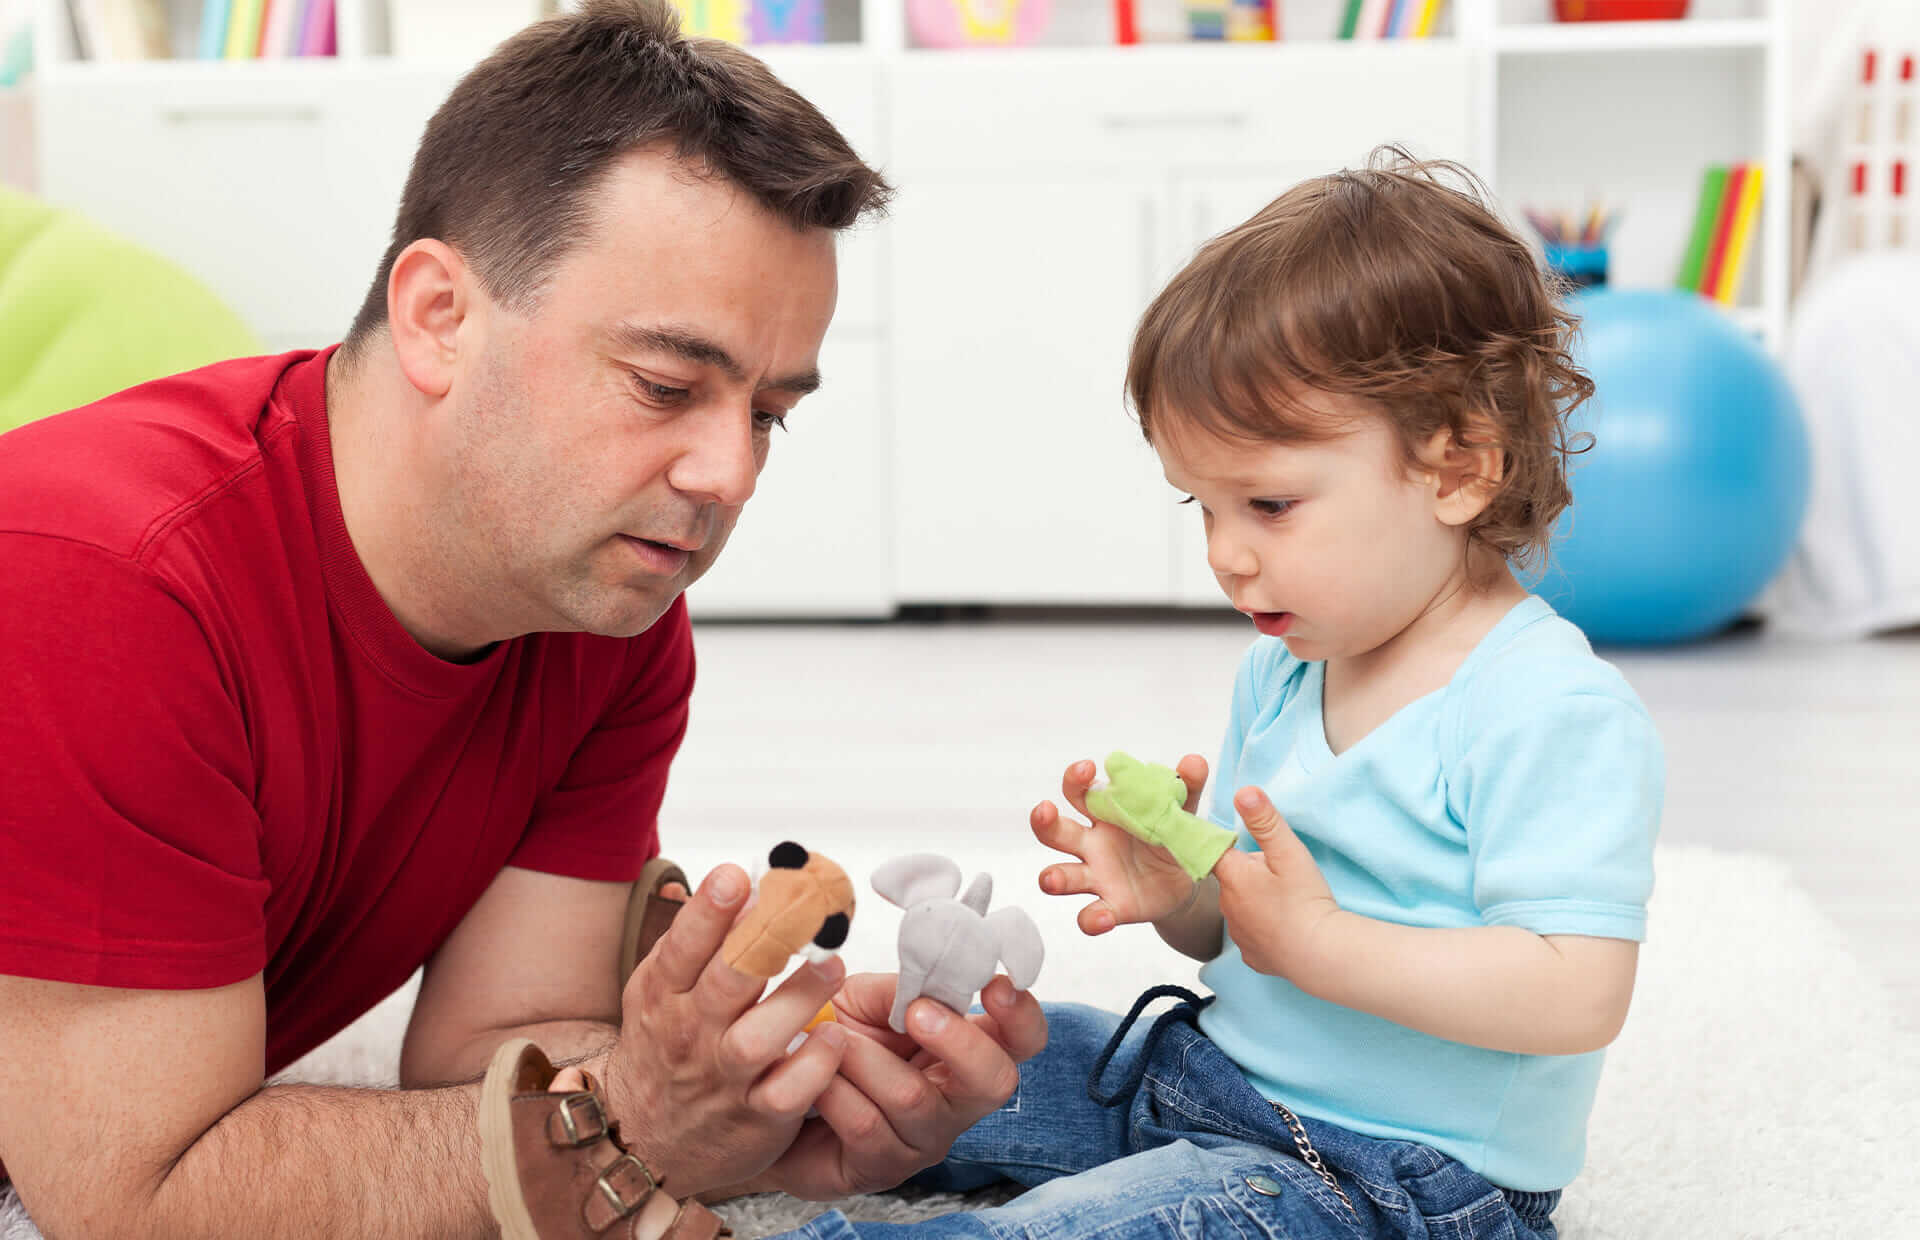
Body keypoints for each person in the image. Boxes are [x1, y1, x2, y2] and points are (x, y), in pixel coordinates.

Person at [0, 3, 1044, 1236]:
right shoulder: (106, 579)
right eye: (666, 385)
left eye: (767, 412)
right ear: (441, 314)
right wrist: (620, 1125)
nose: (730, 475)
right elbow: (127, 1201)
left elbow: (495, 1047)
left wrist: (756, 1103)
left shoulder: (606, 609)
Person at [769, 153, 1665, 1239]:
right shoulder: (1287, 667)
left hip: (1393, 1181)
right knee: (958, 1051)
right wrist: (1186, 893)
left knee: (1071, 1229)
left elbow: (1576, 991)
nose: (1227, 556)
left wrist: (1321, 944)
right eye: (1202, 507)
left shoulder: (1545, 707)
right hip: (1208, 1080)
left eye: (1270, 504)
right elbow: (1249, 935)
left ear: (1459, 466)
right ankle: (713, 1114)